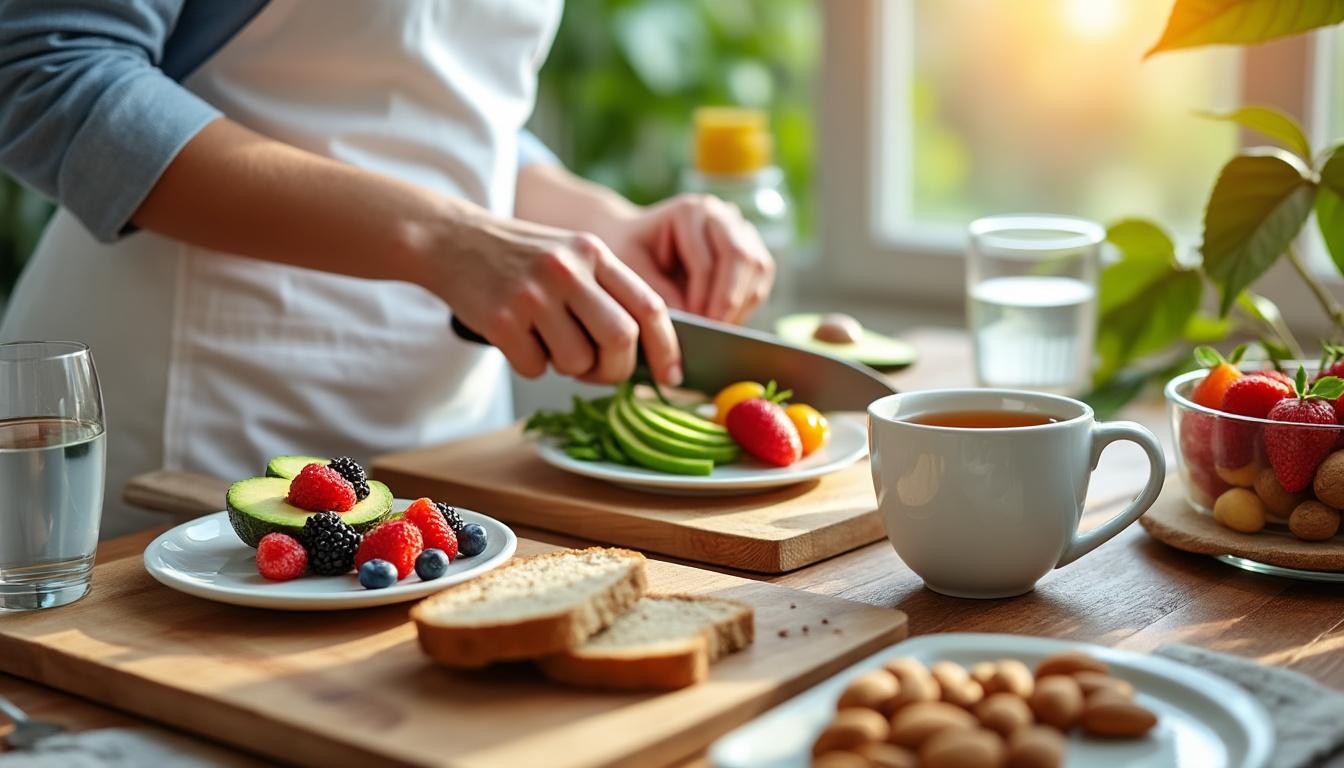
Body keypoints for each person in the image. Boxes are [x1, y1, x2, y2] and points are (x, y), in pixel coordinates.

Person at [0, 1, 775, 537]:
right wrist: (447, 240)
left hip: (446, 452)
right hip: (203, 430)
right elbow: (47, 71)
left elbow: (438, 113)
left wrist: (603, 224)